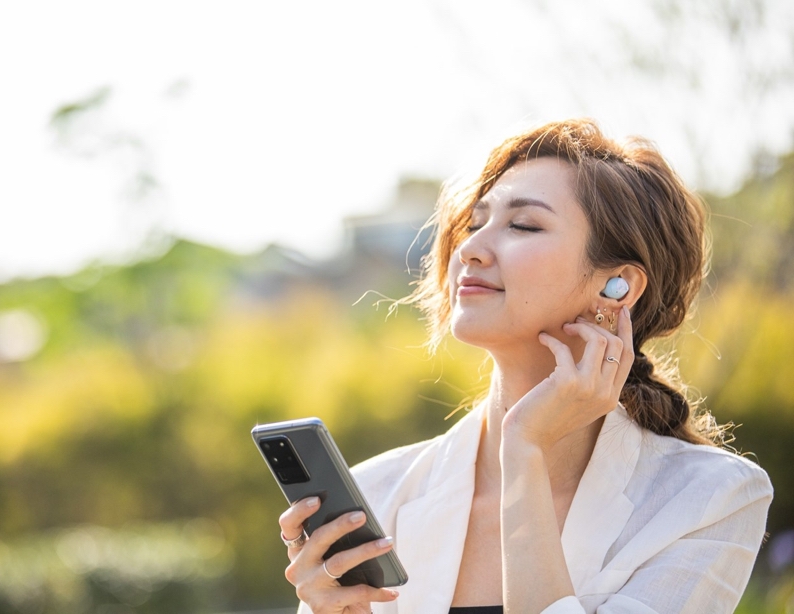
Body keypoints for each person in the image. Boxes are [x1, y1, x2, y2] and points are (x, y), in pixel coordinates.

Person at [278, 119, 773, 613]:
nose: (469, 249)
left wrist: (524, 451)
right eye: (474, 224)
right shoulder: (377, 497)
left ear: (616, 285)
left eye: (523, 225)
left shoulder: (707, 499)